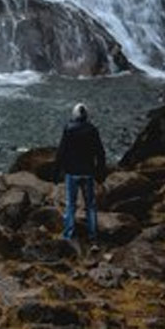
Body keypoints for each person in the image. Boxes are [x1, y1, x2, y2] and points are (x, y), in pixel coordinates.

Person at [53, 101, 106, 246]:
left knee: (71, 205)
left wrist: (56, 173)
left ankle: (68, 235)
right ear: (86, 115)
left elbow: (61, 153)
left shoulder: (69, 129)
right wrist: (101, 174)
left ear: (74, 115)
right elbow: (100, 153)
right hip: (88, 173)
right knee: (90, 206)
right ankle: (93, 237)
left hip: (72, 173)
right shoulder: (92, 130)